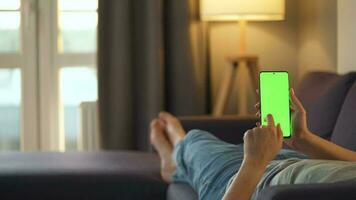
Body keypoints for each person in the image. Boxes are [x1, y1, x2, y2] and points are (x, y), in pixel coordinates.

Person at [150, 88, 356, 200]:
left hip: (251, 180)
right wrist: (303, 138)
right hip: (296, 159)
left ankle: (176, 154)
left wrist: (254, 162)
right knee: (226, 147)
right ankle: (179, 159)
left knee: (198, 139)